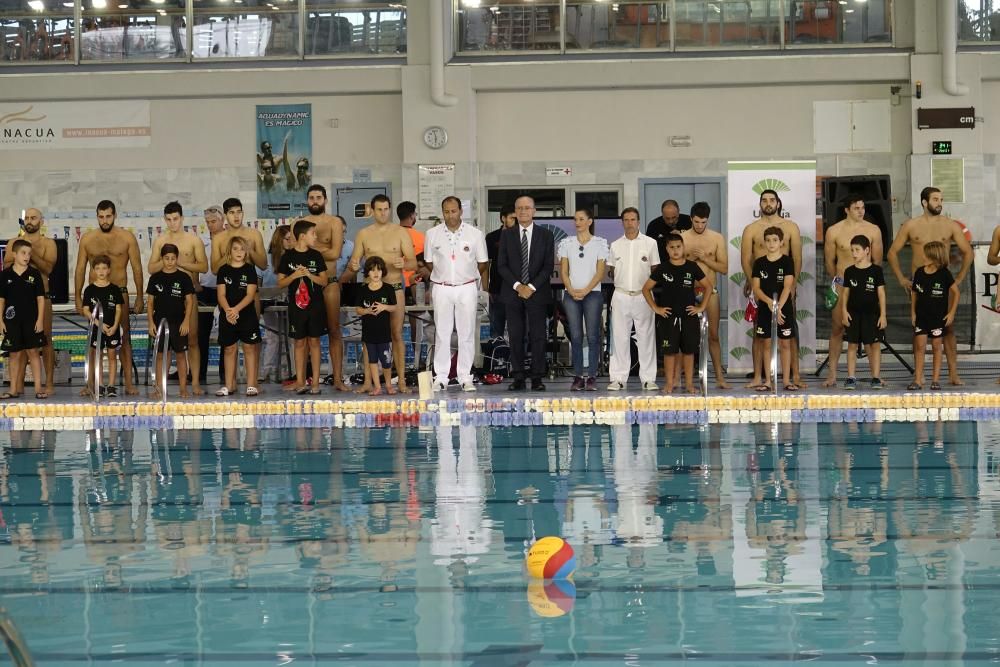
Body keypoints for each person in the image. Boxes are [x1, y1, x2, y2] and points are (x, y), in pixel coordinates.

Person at [887, 186, 973, 386]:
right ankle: (919, 376)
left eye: (941, 199)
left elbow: (967, 252)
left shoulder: (950, 225)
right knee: (919, 331)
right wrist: (901, 279)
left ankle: (953, 373)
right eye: (935, 199)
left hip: (943, 284)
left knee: (948, 329)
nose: (939, 203)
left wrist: (959, 278)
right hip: (921, 284)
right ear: (924, 202)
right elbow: (892, 253)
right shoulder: (910, 225)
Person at [343, 194, 417, 393]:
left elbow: (413, 262)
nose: (383, 213)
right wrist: (353, 265)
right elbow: (355, 262)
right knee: (370, 337)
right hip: (370, 290)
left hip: (393, 287)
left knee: (396, 334)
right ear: (372, 211)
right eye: (379, 210)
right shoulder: (363, 234)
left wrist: (405, 264)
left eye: (386, 209)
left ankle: (400, 381)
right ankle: (368, 381)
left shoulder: (401, 232)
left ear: (390, 209)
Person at [74, 200, 144, 396]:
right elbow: (80, 269)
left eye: (108, 216)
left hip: (118, 293)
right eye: (101, 216)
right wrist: (78, 297)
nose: (104, 220)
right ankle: (90, 384)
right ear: (97, 216)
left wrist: (139, 296)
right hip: (94, 296)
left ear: (114, 215)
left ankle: (129, 384)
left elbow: (137, 268)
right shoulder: (88, 239)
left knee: (124, 341)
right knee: (92, 342)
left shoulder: (127, 237)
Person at [740, 189, 805, 389]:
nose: (768, 203)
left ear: (778, 203)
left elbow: (797, 259)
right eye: (764, 200)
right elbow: (745, 259)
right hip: (761, 286)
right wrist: (752, 283)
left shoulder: (791, 227)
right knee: (760, 334)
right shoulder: (751, 229)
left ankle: (794, 377)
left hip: (784, 286)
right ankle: (759, 377)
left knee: (789, 332)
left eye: (772, 200)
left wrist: (792, 286)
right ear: (760, 204)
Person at [425, 196, 489, 392]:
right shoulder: (432, 234)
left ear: (461, 211)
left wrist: (467, 275)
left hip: (466, 286)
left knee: (466, 332)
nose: (450, 215)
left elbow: (483, 262)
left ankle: (465, 376)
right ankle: (441, 376)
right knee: (442, 332)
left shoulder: (475, 234)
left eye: (454, 211)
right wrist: (442, 273)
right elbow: (428, 261)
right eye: (446, 212)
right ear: (442, 212)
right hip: (442, 287)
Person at [822, 194, 885, 387]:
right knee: (838, 329)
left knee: (871, 332)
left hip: (866, 286)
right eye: (856, 208)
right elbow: (829, 262)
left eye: (863, 207)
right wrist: (840, 281)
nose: (861, 211)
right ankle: (832, 374)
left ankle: (875, 375)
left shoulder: (873, 230)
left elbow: (877, 261)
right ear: (847, 210)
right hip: (843, 285)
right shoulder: (834, 231)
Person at [148, 201, 208, 396]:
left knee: (192, 340)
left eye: (175, 219)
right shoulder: (160, 241)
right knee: (166, 345)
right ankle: (161, 386)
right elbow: (151, 268)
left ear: (182, 218)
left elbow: (204, 267)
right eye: (168, 219)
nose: (172, 223)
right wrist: (168, 262)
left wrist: (182, 262)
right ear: (165, 220)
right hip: (166, 297)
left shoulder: (193, 240)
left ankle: (195, 382)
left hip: (187, 295)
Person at [496, 195, 555, 391]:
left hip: (537, 293)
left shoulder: (546, 235)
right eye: (519, 208)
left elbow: (547, 267)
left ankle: (537, 377)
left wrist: (530, 287)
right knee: (515, 335)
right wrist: (518, 286)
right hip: (512, 293)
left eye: (527, 208)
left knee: (538, 336)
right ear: (515, 211)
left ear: (534, 211)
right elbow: (501, 265)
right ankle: (518, 376)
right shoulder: (507, 235)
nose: (523, 211)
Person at [643, 233, 710, 394]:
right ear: (666, 249)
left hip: (688, 316)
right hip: (668, 317)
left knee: (688, 351)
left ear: (683, 247)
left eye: (678, 247)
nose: (675, 250)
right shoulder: (663, 268)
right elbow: (646, 288)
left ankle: (688, 384)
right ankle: (669, 383)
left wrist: (701, 307)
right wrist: (656, 308)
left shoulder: (692, 267)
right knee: (669, 352)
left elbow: (708, 286)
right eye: (672, 247)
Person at [4, 208, 57, 396]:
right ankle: (16, 386)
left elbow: (48, 268)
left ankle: (48, 384)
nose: (29, 221)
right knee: (18, 346)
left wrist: (30, 252)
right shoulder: (13, 243)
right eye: (26, 218)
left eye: (33, 218)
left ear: (41, 222)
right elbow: (7, 266)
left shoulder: (48, 244)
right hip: (18, 299)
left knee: (45, 341)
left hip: (43, 297)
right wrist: (22, 251)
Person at [301, 185, 349, 391]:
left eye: (318, 197)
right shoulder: (299, 224)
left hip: (329, 283)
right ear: (307, 201)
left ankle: (337, 378)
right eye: (311, 197)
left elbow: (336, 253)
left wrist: (312, 250)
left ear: (325, 200)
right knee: (304, 334)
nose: (315, 201)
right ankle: (305, 380)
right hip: (306, 285)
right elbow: (299, 254)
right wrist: (323, 250)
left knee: (334, 331)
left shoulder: (334, 222)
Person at [607, 207, 660, 391]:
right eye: (626, 220)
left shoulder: (650, 243)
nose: (630, 223)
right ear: (622, 222)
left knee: (646, 337)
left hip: (643, 296)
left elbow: (655, 270)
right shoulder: (615, 245)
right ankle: (618, 378)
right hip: (621, 295)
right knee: (619, 338)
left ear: (638, 221)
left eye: (633, 219)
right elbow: (612, 271)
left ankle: (648, 378)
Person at [557, 207, 608, 391]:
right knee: (576, 336)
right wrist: (570, 289)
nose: (577, 222)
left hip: (592, 294)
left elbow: (600, 272)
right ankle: (578, 376)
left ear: (589, 221)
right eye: (575, 219)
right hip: (571, 295)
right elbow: (563, 271)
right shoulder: (566, 243)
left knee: (593, 336)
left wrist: (585, 290)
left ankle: (592, 376)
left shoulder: (600, 243)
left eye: (581, 219)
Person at [680, 201, 730, 389]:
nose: (700, 226)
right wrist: (689, 260)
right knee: (685, 337)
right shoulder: (682, 238)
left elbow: (724, 268)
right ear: (691, 219)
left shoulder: (717, 238)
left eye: (703, 222)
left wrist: (705, 258)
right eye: (696, 222)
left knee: (714, 336)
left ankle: (719, 378)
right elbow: (674, 265)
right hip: (687, 292)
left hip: (711, 292)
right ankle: (683, 380)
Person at [278, 219, 328, 395]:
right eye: (313, 234)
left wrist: (309, 275)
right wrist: (295, 275)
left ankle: (315, 382)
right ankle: (300, 381)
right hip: (296, 307)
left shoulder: (316, 256)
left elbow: (324, 280)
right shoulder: (288, 257)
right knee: (299, 343)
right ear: (302, 236)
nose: (316, 237)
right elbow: (280, 283)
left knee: (314, 342)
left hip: (315, 306)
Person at [145, 243, 195, 399]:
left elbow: (190, 302)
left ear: (177, 259)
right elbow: (150, 303)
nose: (170, 261)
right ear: (162, 259)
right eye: (167, 258)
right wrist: (151, 323)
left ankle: (182, 389)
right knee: (161, 355)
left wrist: (186, 321)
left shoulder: (184, 278)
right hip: (160, 323)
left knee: (181, 355)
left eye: (173, 258)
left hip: (179, 323)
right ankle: (159, 388)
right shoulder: (155, 278)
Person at [908, 241, 958, 391]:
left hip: (938, 317)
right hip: (922, 317)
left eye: (925, 254)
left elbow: (956, 292)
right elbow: (914, 293)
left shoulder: (944, 274)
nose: (922, 256)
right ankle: (917, 379)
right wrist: (913, 312)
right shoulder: (919, 272)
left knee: (937, 347)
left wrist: (951, 313)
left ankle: (935, 380)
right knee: (920, 346)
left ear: (934, 257)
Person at [751, 226, 796, 392]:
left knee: (785, 343)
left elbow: (787, 287)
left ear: (781, 242)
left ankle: (785, 380)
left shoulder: (787, 261)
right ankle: (768, 380)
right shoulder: (759, 263)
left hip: (783, 308)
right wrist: (770, 303)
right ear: (764, 242)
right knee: (767, 344)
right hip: (765, 307)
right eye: (768, 240)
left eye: (775, 240)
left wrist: (777, 308)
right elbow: (756, 288)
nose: (771, 243)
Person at [0, 239, 46, 399]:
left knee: (33, 352)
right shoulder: (5, 275)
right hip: (12, 321)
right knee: (14, 354)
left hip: (31, 321)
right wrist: (0, 321)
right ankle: (12, 389)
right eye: (23, 253)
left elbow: (41, 299)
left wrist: (40, 320)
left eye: (29, 253)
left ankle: (38, 388)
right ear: (14, 254)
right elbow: (1, 300)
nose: (27, 256)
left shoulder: (34, 274)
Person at [215, 236, 261, 397]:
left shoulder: (249, 269)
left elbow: (250, 294)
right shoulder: (223, 270)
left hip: (246, 314)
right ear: (229, 251)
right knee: (229, 349)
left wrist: (236, 310)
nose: (239, 252)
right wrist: (228, 311)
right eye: (235, 249)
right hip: (228, 315)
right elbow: (221, 295)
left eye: (242, 249)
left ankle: (251, 384)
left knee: (249, 347)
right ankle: (228, 385)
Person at [840, 235, 886, 390]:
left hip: (872, 314)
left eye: (857, 250)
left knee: (874, 344)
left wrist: (883, 315)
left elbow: (881, 294)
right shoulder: (849, 271)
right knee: (852, 345)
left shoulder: (876, 271)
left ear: (867, 250)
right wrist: (844, 311)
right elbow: (845, 294)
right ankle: (851, 377)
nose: (854, 253)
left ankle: (876, 377)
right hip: (853, 314)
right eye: (852, 250)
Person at [81, 254, 124, 398]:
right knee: (97, 356)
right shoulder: (89, 290)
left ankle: (111, 386)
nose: (101, 271)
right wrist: (99, 324)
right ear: (93, 270)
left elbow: (118, 309)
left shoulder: (115, 289)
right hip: (96, 329)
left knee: (112, 356)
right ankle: (99, 384)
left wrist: (115, 325)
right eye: (98, 268)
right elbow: (86, 310)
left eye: (104, 268)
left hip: (112, 328)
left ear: (109, 270)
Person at [355, 256, 399, 396]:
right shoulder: (363, 290)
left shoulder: (388, 289)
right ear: (367, 272)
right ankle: (378, 386)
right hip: (369, 332)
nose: (376, 273)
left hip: (383, 332)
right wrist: (367, 311)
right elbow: (358, 309)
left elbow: (394, 307)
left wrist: (383, 307)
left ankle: (388, 385)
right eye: (373, 270)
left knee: (386, 361)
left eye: (379, 270)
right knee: (372, 360)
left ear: (383, 272)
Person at [197, 205, 227, 386]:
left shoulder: (229, 240)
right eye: (207, 222)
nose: (210, 225)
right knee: (202, 334)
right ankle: (200, 373)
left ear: (222, 220)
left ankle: (225, 372)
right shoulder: (202, 242)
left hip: (225, 289)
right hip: (206, 290)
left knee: (226, 334)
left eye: (213, 221)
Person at [260, 224, 291, 384]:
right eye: (287, 239)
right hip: (268, 301)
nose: (291, 242)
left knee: (288, 336)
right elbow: (260, 284)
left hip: (288, 301)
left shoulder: (294, 257)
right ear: (279, 240)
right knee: (273, 336)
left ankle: (286, 370)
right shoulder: (267, 257)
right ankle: (267, 370)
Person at [398, 200, 429, 352]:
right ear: (411, 216)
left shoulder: (392, 235)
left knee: (395, 325)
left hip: (396, 286)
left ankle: (395, 361)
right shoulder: (421, 238)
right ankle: (418, 358)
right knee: (415, 323)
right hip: (415, 286)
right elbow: (426, 263)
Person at [211, 198, 268, 274]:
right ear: (225, 216)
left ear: (243, 213)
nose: (236, 216)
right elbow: (214, 271)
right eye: (231, 212)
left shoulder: (254, 234)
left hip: (249, 283)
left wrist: (250, 250)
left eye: (239, 212)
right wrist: (229, 254)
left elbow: (263, 266)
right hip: (227, 283)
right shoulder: (218, 239)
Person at [485, 205, 517, 338]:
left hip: (516, 291)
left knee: (517, 330)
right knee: (496, 331)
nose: (515, 221)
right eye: (512, 218)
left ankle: (517, 358)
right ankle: (496, 358)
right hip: (496, 290)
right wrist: (486, 289)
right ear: (503, 218)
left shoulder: (521, 236)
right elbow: (485, 264)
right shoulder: (492, 237)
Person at [647, 199, 692, 267]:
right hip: (663, 267)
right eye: (667, 218)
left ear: (678, 212)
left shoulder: (689, 222)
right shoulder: (653, 225)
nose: (671, 221)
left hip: (686, 265)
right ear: (662, 214)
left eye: (674, 217)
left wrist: (683, 236)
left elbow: (697, 242)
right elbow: (649, 249)